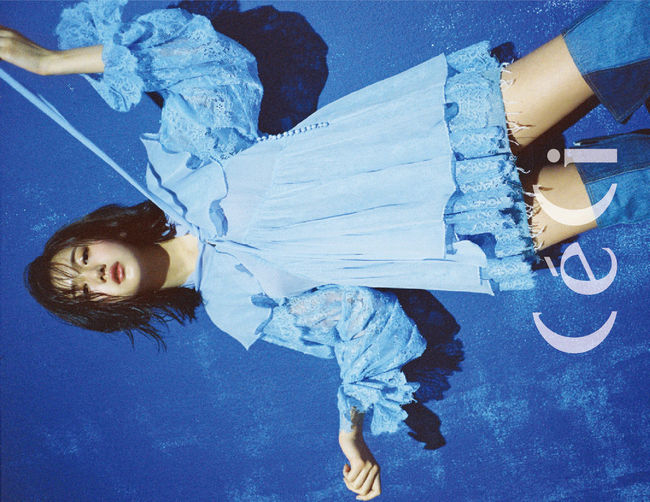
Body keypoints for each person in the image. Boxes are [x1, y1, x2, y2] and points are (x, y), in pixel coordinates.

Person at [1, 0, 648, 499]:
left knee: (617, 41)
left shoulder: (180, 171)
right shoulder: (234, 308)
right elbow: (359, 319)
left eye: (79, 258)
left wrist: (49, 62)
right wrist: (352, 433)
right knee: (634, 180)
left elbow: (205, 62)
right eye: (84, 292)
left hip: (431, 134)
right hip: (460, 229)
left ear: (98, 234)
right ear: (111, 309)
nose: (94, 274)